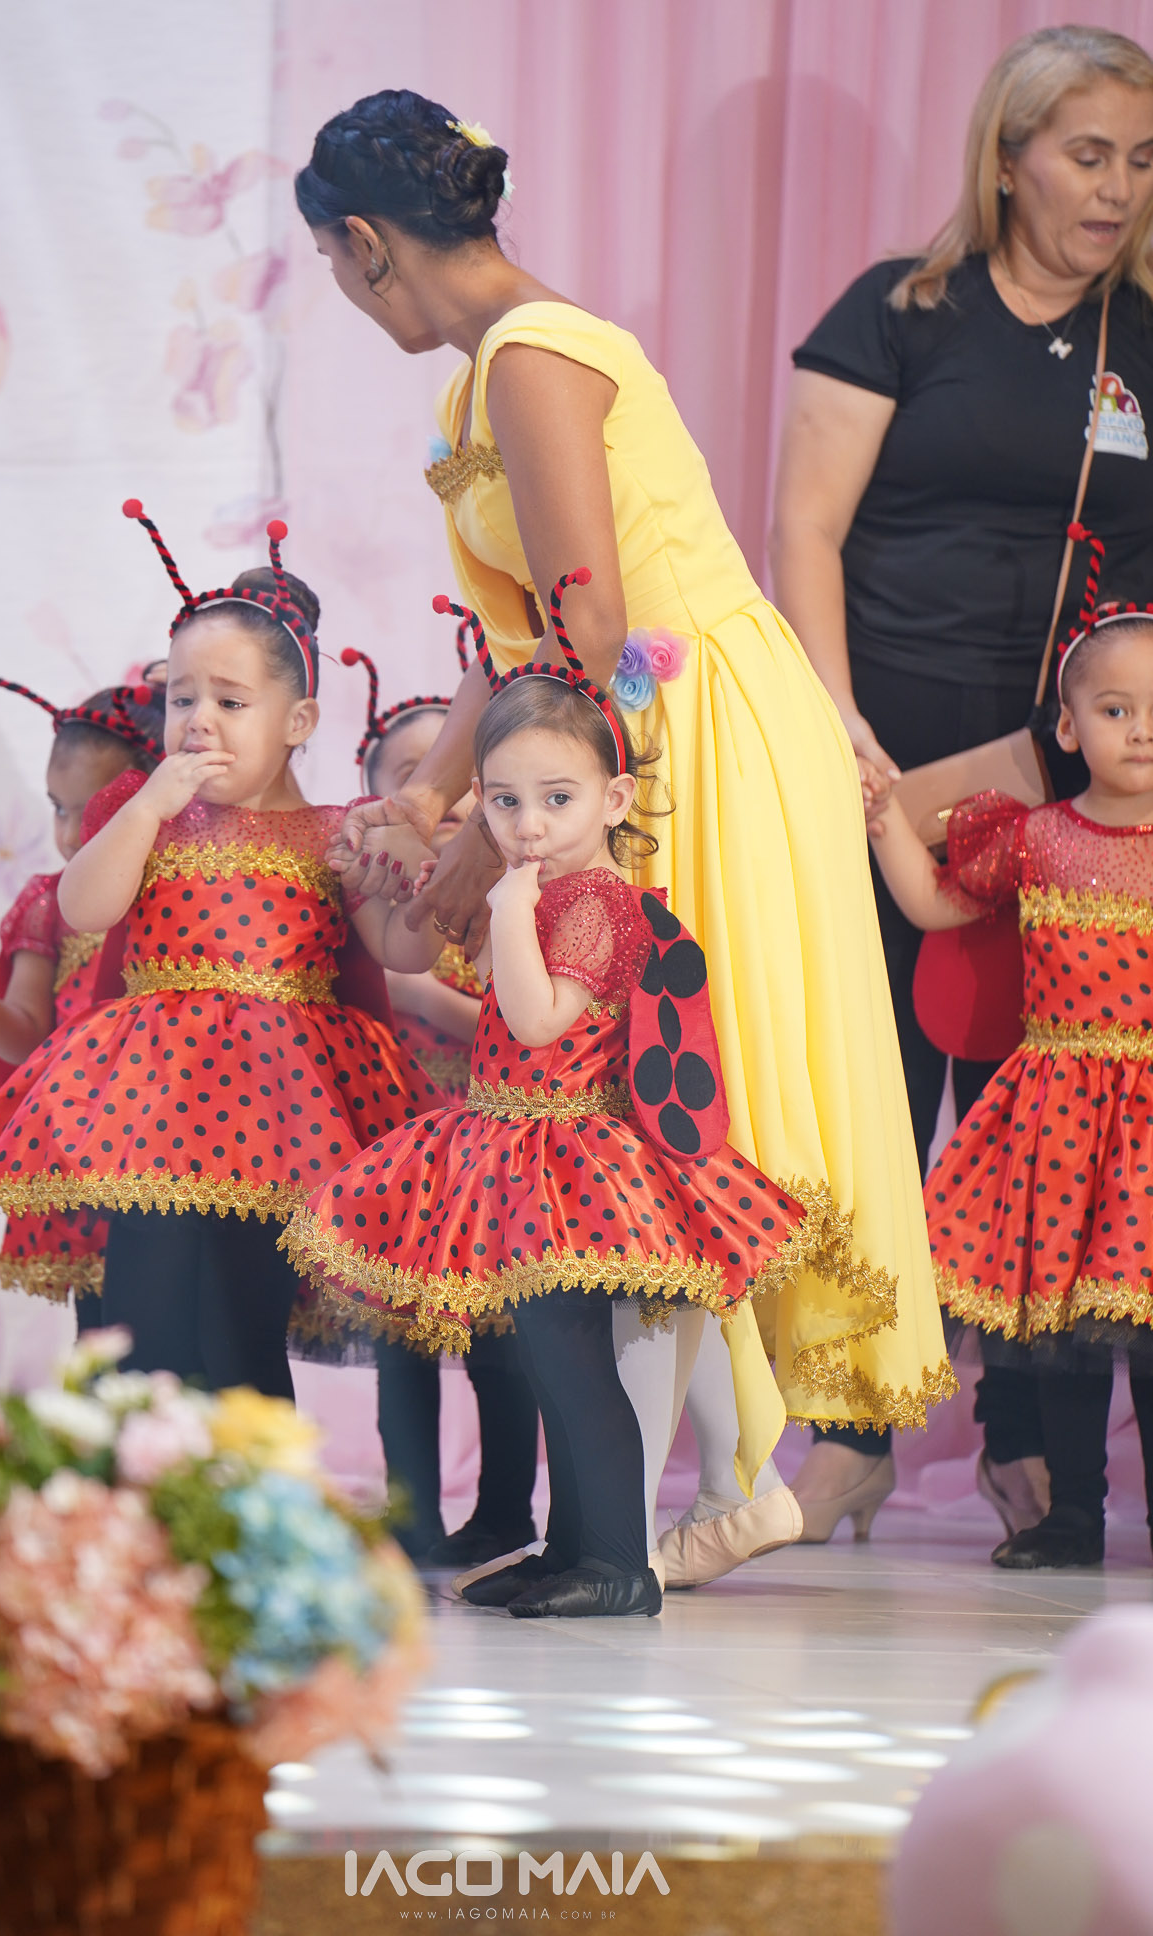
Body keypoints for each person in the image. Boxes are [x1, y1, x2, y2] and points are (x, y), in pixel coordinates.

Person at [296, 90, 952, 1579]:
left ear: (367, 242)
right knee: (621, 1114)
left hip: (685, 720)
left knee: (668, 1105)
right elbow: (519, 636)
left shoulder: (535, 356)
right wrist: (430, 793)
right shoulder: (477, 385)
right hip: (616, 718)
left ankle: (701, 1494)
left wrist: (491, 846)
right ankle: (674, 1501)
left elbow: (590, 630)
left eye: (335, 265)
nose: (343, 290)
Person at [770, 23, 1153, 1540]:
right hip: (898, 754)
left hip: (1090, 789)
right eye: (1087, 155)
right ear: (1009, 159)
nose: (1118, 188)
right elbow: (805, 530)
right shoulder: (899, 312)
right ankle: (850, 1426)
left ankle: (1028, 1437)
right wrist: (839, 723)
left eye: (1144, 159)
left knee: (1053, 1107)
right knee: (882, 1086)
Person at [288, 579, 829, 1620]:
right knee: (548, 1366)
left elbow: (537, 1020)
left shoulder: (592, 904)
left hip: (572, 1155)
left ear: (614, 801)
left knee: (576, 1371)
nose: (528, 825)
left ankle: (618, 1561)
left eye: (556, 799)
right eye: (503, 802)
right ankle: (570, 1544)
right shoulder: (545, 893)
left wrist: (504, 904)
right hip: (509, 1144)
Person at [0, 507, 439, 1396]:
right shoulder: (144, 814)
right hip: (152, 1097)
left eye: (230, 702)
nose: (199, 720)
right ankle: (145, 1466)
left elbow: (400, 953)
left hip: (275, 1108)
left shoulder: (335, 832)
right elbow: (84, 903)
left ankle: (245, 1474)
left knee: (243, 1331)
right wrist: (146, 807)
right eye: (181, 699)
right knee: (145, 1317)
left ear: (298, 719)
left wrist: (420, 882)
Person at [868, 553, 1153, 1573]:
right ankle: (1071, 1517)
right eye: (1115, 710)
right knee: (1062, 1330)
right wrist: (880, 815)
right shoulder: (1035, 837)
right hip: (1058, 1114)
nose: (1140, 731)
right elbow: (932, 905)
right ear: (1068, 727)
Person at [344, 641, 541, 1570]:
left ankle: (504, 1509)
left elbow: (519, 1012)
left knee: (502, 1331)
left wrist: (424, 997)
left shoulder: (517, 889)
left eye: (468, 780)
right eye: (419, 777)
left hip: (498, 1144)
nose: (450, 799)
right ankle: (410, 1509)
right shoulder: (376, 892)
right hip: (400, 1142)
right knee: (399, 1333)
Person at [0, 677, 163, 1319]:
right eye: (57, 808)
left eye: (93, 809)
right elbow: (27, 1042)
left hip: (175, 1143)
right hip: (83, 1152)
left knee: (194, 1326)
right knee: (105, 1334)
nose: (70, 834)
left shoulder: (184, 896)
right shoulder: (50, 904)